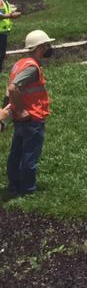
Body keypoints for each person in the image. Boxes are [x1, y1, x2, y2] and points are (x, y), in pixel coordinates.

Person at [6, 29, 54, 196]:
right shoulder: (32, 68)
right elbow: (13, 88)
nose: (50, 48)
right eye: (47, 45)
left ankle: (14, 185)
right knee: (29, 155)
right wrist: (21, 110)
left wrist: (9, 111)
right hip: (32, 117)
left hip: (22, 118)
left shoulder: (19, 63)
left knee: (16, 153)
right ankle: (28, 190)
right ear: (40, 47)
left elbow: (8, 89)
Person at [0, 0, 21, 71]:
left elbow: (4, 11)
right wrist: (11, 16)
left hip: (3, 32)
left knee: (2, 53)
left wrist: (12, 10)